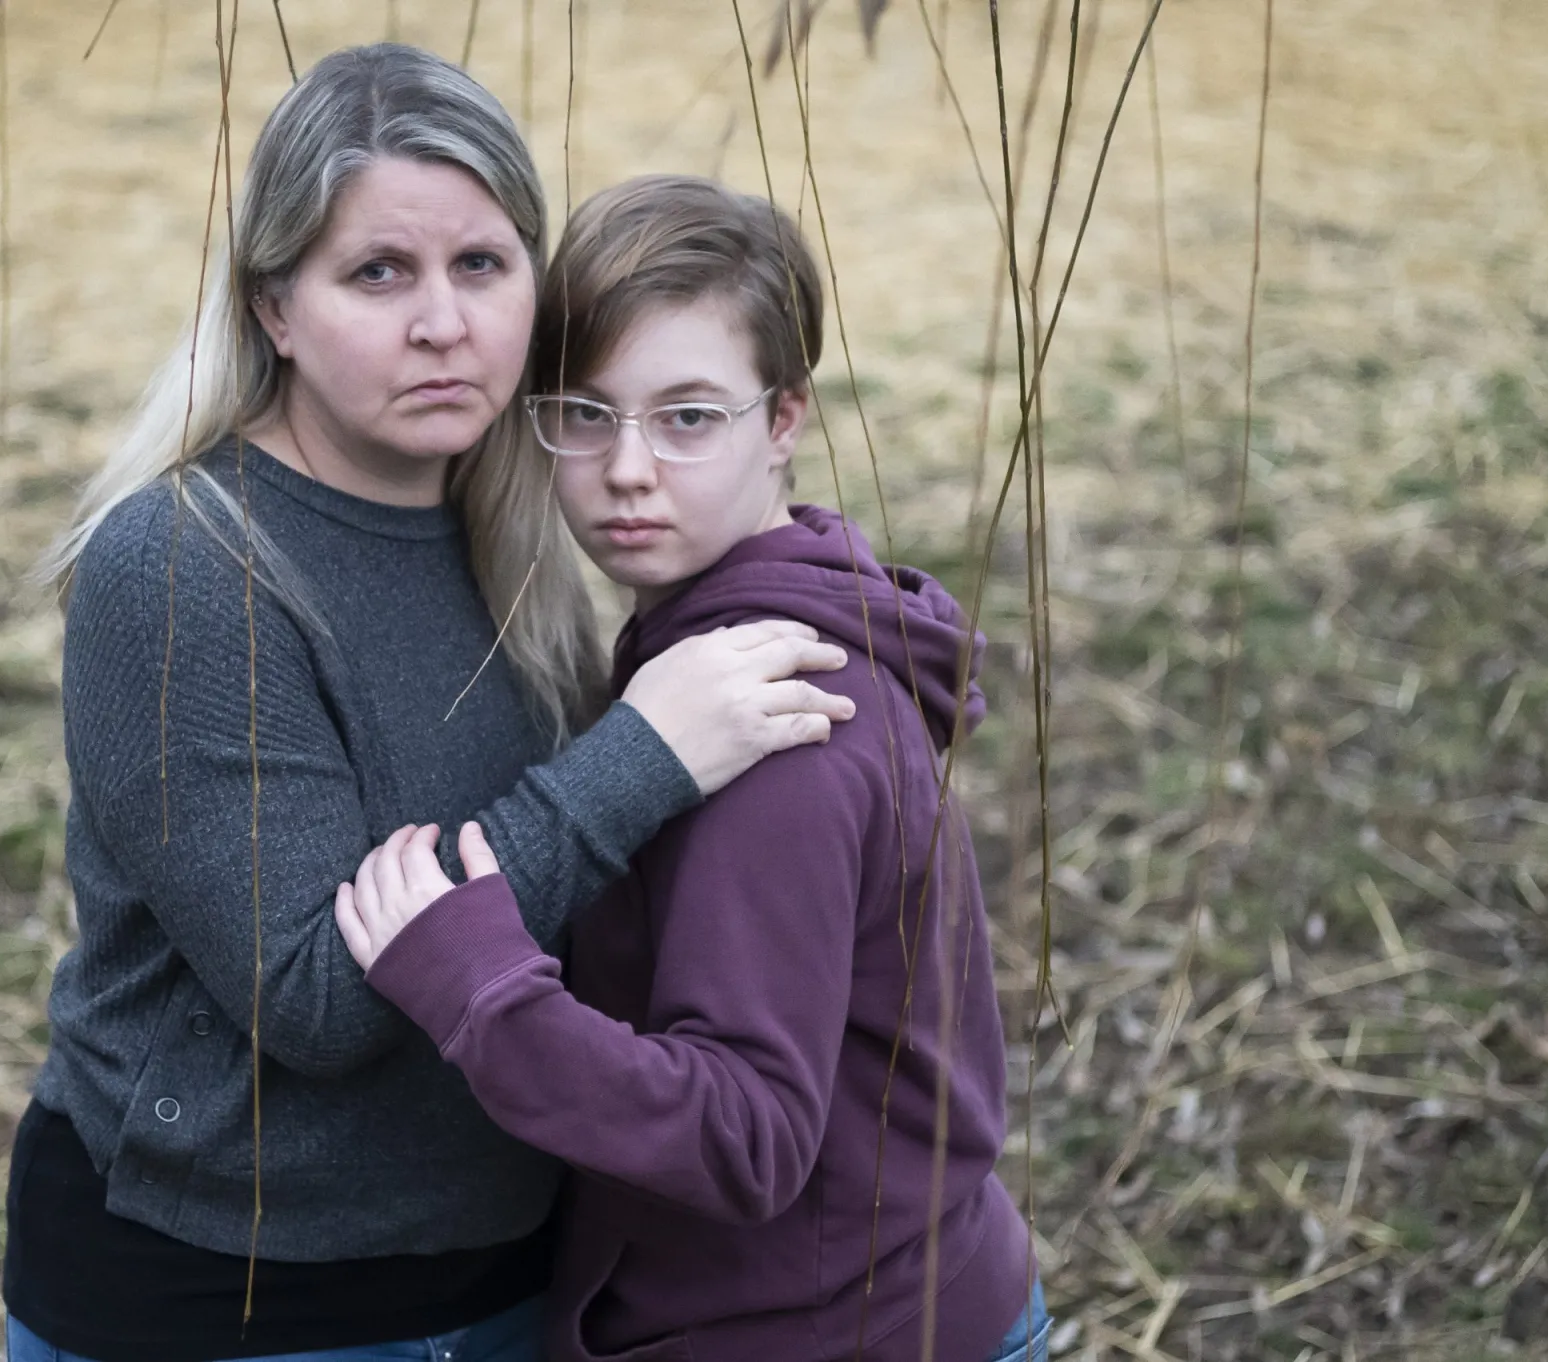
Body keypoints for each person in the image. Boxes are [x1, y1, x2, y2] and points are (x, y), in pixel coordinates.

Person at [3, 49, 858, 1362]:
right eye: (378, 273)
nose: (444, 323)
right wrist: (640, 759)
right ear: (276, 308)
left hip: (509, 1275)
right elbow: (318, 999)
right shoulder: (183, 568)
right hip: (228, 1297)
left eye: (482, 264)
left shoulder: (509, 533)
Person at [336, 176, 1047, 1362]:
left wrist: (482, 989)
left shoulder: (773, 729)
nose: (625, 470)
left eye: (687, 417)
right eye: (583, 412)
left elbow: (745, 1135)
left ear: (782, 419)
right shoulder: (735, 641)